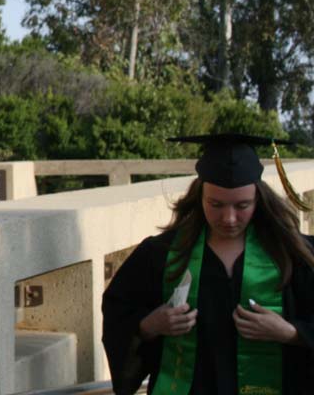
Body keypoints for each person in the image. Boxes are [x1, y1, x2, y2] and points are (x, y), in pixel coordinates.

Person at [102, 133, 314, 394]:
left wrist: (291, 332)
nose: (229, 218)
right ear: (199, 195)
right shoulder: (160, 254)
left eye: (242, 205)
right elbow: (118, 313)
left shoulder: (296, 255)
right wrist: (148, 326)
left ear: (259, 199)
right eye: (216, 204)